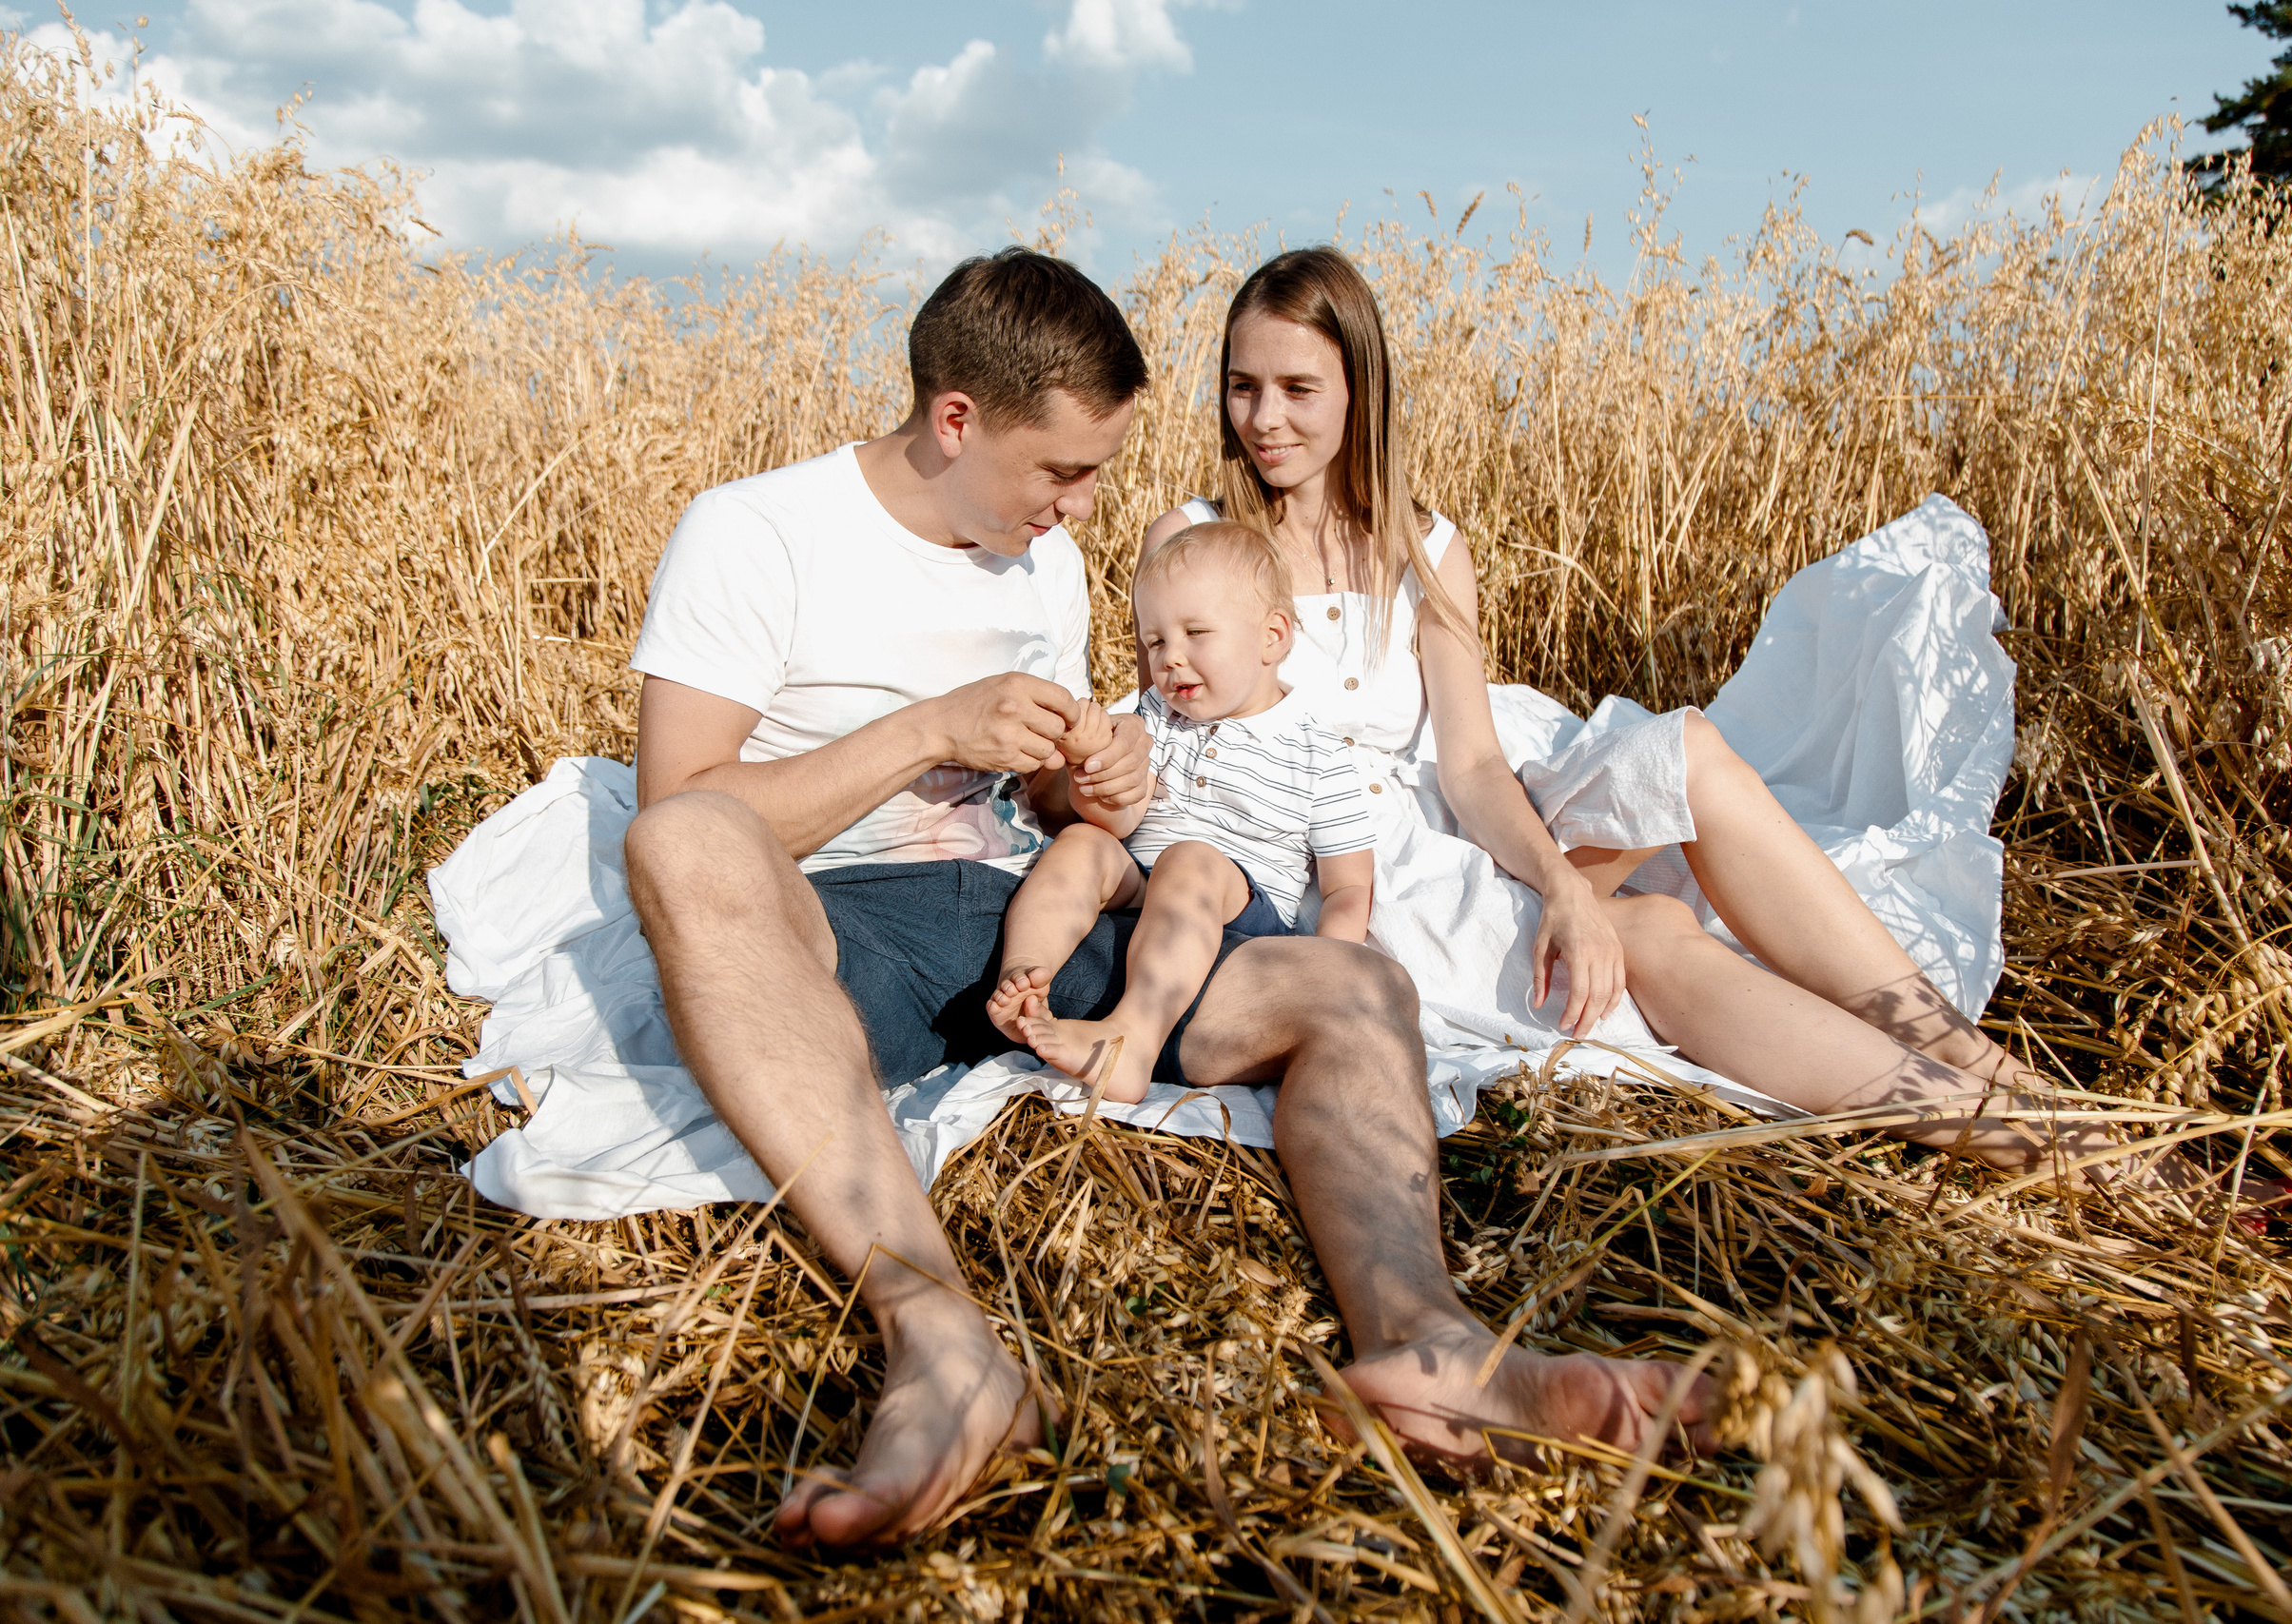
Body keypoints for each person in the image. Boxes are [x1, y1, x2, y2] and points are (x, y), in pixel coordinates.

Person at [620, 247, 1714, 1551]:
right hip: (835, 920)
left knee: (1352, 977)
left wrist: (1096, 783)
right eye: (1063, 471)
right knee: (686, 850)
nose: (1083, 508)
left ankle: (1433, 1345)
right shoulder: (755, 530)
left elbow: (1050, 803)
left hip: (1040, 907)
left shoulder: (1042, 558)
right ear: (957, 419)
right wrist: (928, 730)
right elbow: (682, 803)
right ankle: (946, 1351)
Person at [1145, 244, 2194, 1187]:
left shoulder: (1426, 546)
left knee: (1684, 754)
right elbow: (1176, 737)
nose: (1264, 419)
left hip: (1456, 812)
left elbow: (1467, 764)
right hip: (1348, 858)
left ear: (1358, 391)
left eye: (1296, 388)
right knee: (1645, 930)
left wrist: (1557, 879)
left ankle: (1977, 1064)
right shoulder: (1192, 538)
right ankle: (2020, 1135)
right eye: (1242, 387)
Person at [988, 519, 1376, 1103]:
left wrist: (1325, 965)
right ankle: (1025, 980)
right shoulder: (1152, 720)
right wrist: (1094, 771)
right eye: (1155, 641)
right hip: (1144, 887)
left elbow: (1348, 887)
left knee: (1191, 860)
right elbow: (1114, 825)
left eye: (1196, 632)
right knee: (1082, 846)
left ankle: (1132, 1043)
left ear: (1273, 637)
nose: (1171, 658)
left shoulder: (1322, 752)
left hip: (1239, 913)